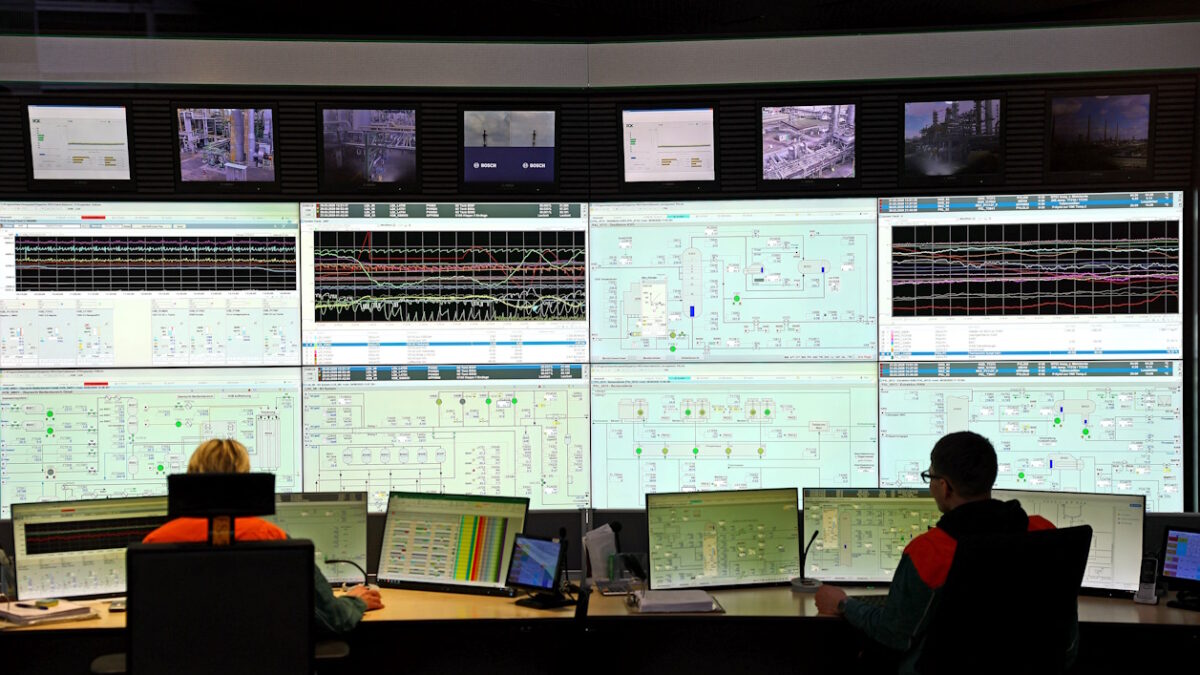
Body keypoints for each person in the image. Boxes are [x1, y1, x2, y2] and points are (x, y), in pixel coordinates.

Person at [813, 430, 1065, 673]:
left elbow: (893, 635)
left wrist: (844, 604)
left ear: (945, 487)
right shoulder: (1042, 531)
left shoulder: (930, 552)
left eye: (930, 477)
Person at [143, 439, 383, 633]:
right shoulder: (275, 541)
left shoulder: (155, 544)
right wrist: (356, 600)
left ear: (190, 478)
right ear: (246, 480)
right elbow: (333, 618)